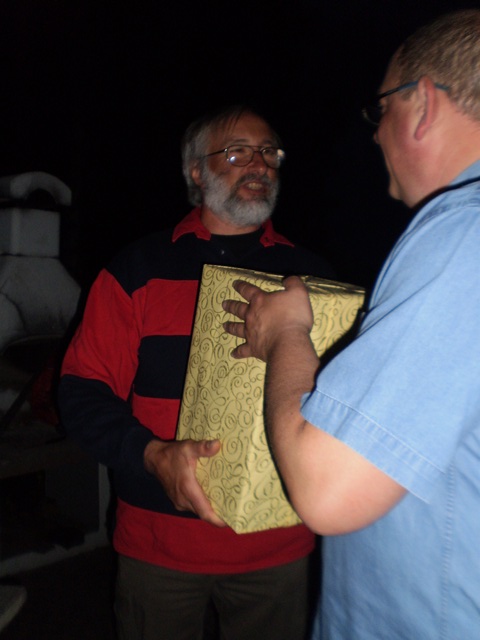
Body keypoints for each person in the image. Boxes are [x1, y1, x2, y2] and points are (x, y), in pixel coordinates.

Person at [223, 10, 480, 639]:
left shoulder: (463, 234)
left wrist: (286, 334)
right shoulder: (138, 266)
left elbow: (326, 490)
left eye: (381, 108)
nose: (375, 133)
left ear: (422, 105)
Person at [57, 104, 334, 640]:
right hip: (159, 546)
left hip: (278, 544)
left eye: (268, 153)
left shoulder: (310, 278)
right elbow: (81, 392)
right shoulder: (136, 270)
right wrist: (152, 454)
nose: (259, 165)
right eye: (236, 153)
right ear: (196, 171)